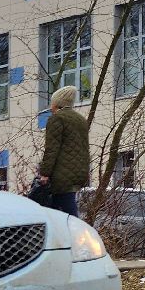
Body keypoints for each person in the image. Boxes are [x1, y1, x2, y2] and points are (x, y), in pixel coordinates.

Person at [37, 86, 90, 217]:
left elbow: (52, 149)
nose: (51, 107)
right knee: (58, 211)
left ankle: (75, 236)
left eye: (52, 103)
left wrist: (44, 173)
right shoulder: (80, 119)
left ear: (57, 103)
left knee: (67, 214)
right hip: (79, 172)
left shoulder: (57, 118)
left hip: (61, 175)